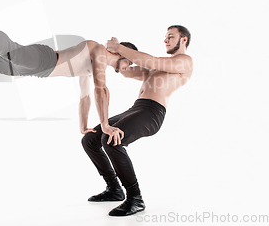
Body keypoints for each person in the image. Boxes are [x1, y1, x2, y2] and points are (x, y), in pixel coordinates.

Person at [0, 16, 138, 139]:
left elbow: (85, 97)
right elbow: (101, 89)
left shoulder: (91, 68)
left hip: (43, 71)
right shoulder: (100, 52)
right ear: (123, 54)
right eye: (130, 61)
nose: (130, 66)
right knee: (12, 52)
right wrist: (105, 124)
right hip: (46, 59)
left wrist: (83, 126)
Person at [81, 25, 193, 217]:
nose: (165, 40)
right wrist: (107, 55)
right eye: (165, 37)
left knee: (112, 140)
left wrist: (120, 48)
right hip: (136, 108)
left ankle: (135, 198)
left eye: (171, 36)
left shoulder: (184, 62)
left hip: (152, 112)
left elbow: (153, 61)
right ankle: (114, 189)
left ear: (183, 40)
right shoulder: (155, 68)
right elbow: (125, 70)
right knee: (90, 140)